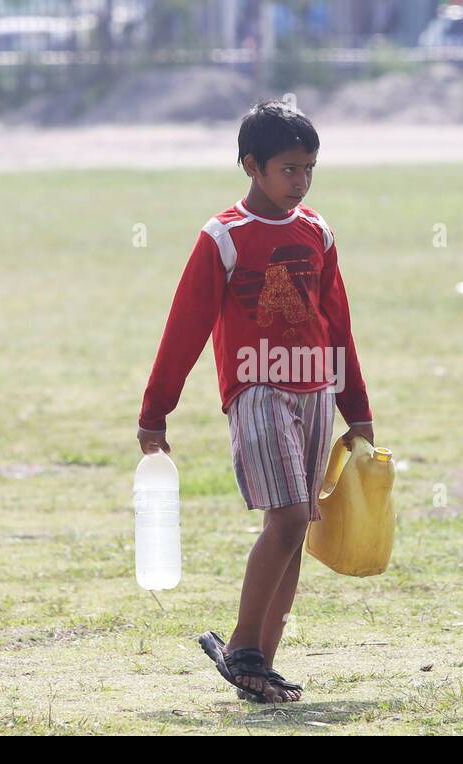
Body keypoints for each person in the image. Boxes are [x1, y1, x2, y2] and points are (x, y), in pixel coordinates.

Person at [136, 101, 375, 703]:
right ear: (252, 166)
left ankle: (257, 667)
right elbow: (184, 327)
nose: (301, 181)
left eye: (310, 169)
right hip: (257, 388)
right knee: (289, 516)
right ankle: (243, 644)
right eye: (289, 169)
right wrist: (155, 413)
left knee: (298, 526)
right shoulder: (223, 237)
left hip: (317, 390)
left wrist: (358, 409)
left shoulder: (318, 231)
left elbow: (338, 325)